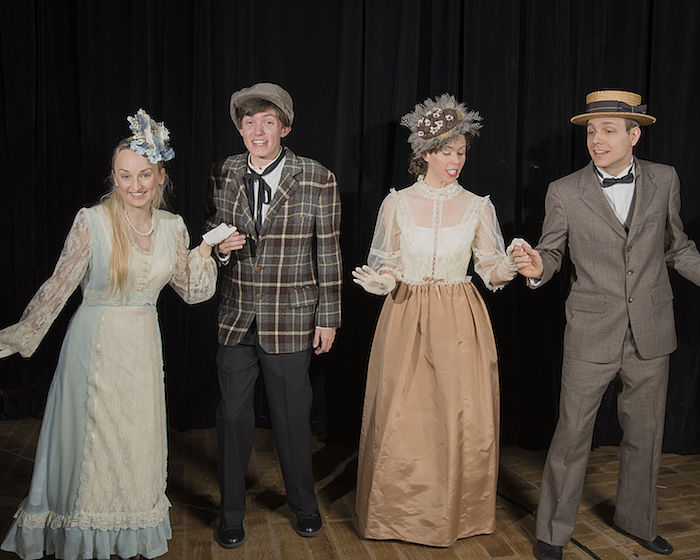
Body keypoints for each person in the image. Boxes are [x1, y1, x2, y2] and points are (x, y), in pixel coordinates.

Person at [0, 109, 222, 560]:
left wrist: (207, 249)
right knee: (93, 441)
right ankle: (81, 531)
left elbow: (192, 290)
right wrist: (20, 336)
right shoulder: (92, 221)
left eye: (144, 175)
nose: (135, 185)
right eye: (125, 176)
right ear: (114, 177)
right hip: (94, 344)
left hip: (142, 344)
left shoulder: (172, 227)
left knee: (135, 437)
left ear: (161, 177)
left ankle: (128, 529)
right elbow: (58, 286)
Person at [514, 90, 700, 560]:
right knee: (572, 435)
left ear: (634, 135)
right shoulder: (564, 190)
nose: (596, 139)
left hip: (651, 330)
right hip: (591, 333)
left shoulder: (665, 180)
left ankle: (637, 521)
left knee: (646, 435)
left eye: (608, 130)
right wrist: (538, 269)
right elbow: (551, 252)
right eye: (592, 131)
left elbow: (677, 247)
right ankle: (553, 532)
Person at [352, 94, 523, 547]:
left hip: (460, 321)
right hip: (405, 315)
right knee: (401, 416)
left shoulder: (477, 206)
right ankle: (396, 514)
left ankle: (455, 515)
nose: (456, 160)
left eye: (461, 152)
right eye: (447, 151)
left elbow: (490, 271)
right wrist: (383, 282)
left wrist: (513, 263)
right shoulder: (396, 204)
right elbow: (386, 263)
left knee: (458, 417)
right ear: (424, 153)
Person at [206, 82, 342, 548]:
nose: (257, 131)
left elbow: (329, 252)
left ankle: (304, 505)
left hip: (291, 319)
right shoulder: (223, 172)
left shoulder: (317, 177)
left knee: (290, 419)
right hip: (236, 316)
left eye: (267, 122)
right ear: (240, 129)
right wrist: (219, 248)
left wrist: (329, 316)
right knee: (232, 418)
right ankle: (230, 513)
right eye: (249, 123)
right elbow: (212, 228)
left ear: (285, 127)